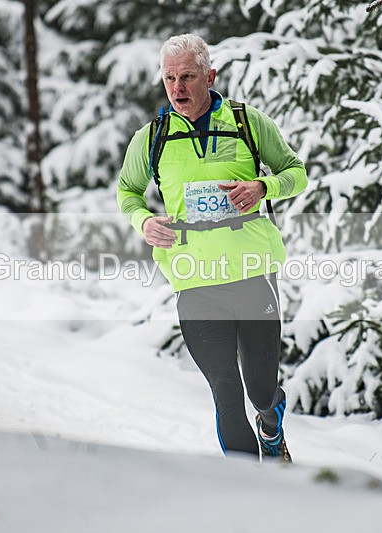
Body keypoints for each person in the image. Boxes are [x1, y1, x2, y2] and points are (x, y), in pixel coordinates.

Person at [116, 33, 307, 461]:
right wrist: (144, 221)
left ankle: (271, 422)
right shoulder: (152, 138)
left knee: (259, 388)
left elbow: (297, 172)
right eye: (170, 79)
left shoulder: (247, 123)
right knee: (224, 387)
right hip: (194, 279)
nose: (178, 88)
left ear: (210, 76)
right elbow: (127, 192)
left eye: (187, 76)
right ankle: (246, 489)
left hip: (253, 271)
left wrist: (264, 186)